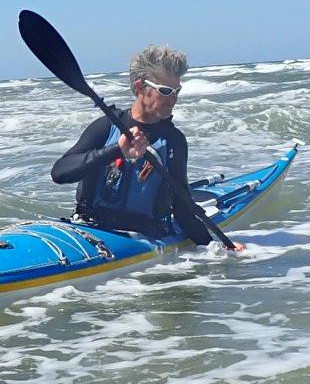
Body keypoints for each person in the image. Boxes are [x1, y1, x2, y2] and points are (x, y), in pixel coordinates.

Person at [51, 44, 219, 247]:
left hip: (145, 237)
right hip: (91, 229)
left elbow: (183, 209)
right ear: (140, 87)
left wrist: (216, 248)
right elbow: (59, 173)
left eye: (177, 91)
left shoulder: (174, 141)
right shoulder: (106, 127)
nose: (173, 99)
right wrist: (115, 150)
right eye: (166, 91)